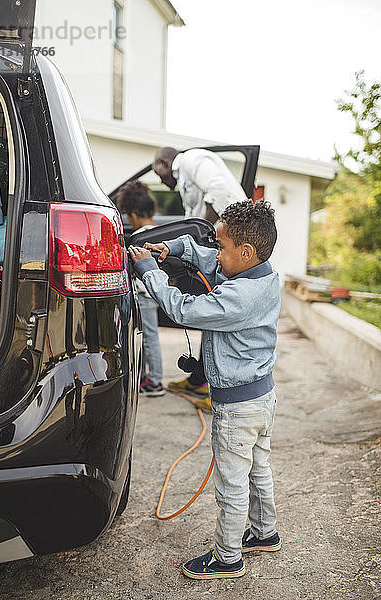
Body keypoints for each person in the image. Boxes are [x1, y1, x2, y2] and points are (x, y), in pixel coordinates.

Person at [129, 200, 281, 580]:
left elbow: (182, 310)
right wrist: (176, 248)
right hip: (261, 399)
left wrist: (150, 271)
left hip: (237, 409)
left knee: (231, 484)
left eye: (222, 245)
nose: (216, 251)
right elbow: (213, 261)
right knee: (258, 469)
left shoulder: (236, 298)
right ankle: (264, 533)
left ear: (245, 252)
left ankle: (227, 558)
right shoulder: (261, 276)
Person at [153, 147, 248, 408]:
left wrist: (204, 237)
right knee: (211, 316)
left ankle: (219, 390)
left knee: (221, 317)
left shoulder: (194, 159)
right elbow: (189, 218)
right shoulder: (185, 175)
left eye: (157, 173)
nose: (161, 181)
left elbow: (219, 192)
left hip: (233, 245)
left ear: (163, 162)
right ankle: (199, 379)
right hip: (220, 244)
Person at [117, 180, 165, 397]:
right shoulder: (159, 232)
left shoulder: (141, 237)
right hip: (154, 292)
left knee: (149, 337)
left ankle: (155, 381)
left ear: (134, 214)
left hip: (144, 294)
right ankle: (147, 377)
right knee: (147, 336)